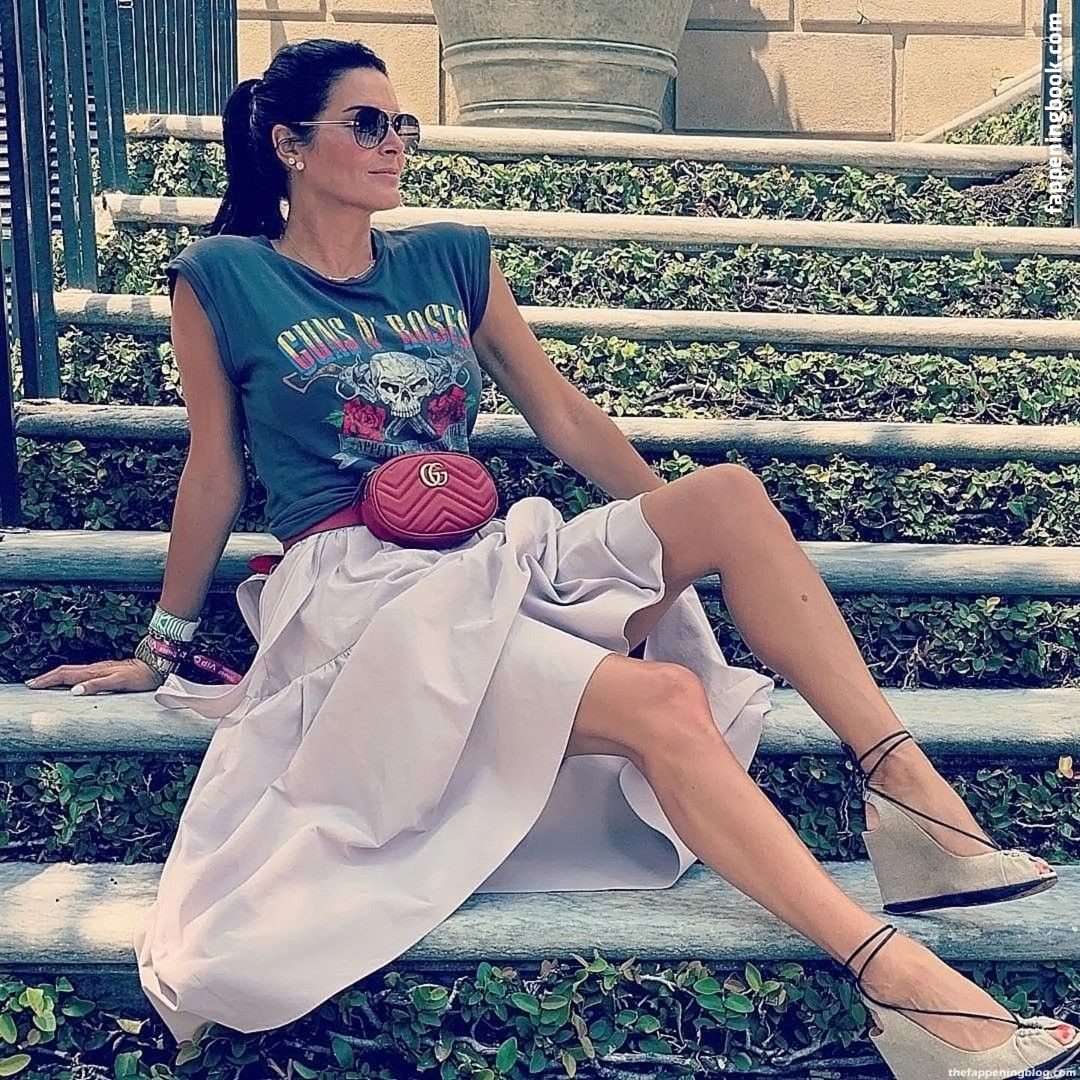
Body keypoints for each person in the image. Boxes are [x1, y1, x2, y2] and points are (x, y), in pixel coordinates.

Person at [23, 38, 1078, 1077]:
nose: (395, 144)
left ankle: (913, 806)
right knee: (664, 703)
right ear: (290, 145)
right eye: (368, 124)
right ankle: (898, 980)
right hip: (360, 594)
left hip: (485, 556)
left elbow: (561, 414)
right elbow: (213, 471)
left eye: (403, 124)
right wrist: (159, 650)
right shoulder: (223, 278)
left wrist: (670, 529)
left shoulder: (450, 257)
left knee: (728, 499)